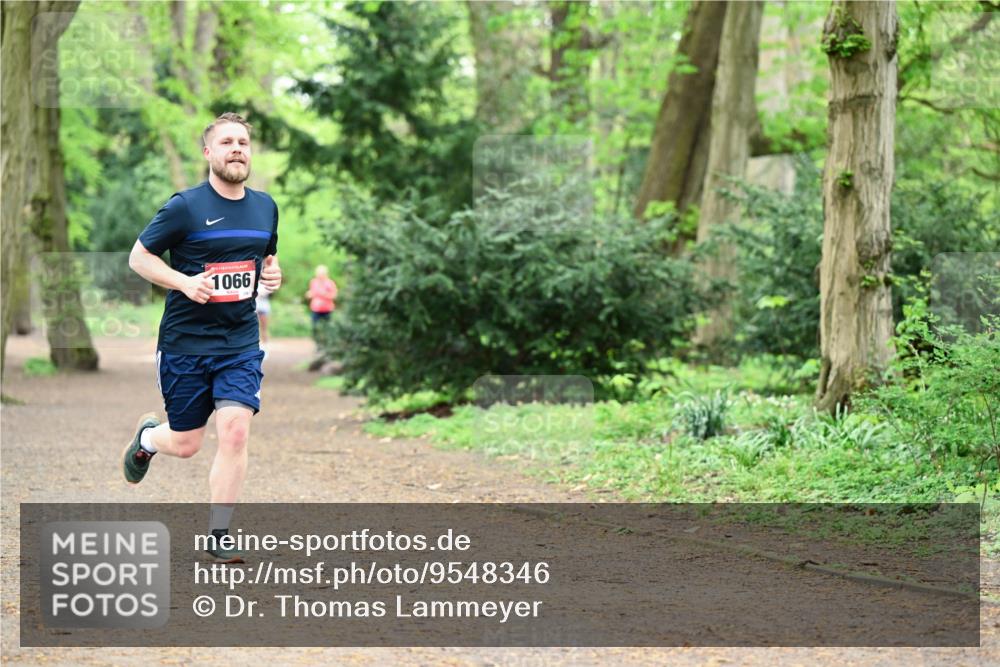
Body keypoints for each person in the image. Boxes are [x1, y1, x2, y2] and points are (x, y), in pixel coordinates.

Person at [122, 112, 281, 563]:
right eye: (227, 142)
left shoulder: (266, 207)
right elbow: (139, 258)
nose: (237, 149)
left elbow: (266, 259)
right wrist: (184, 282)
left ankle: (219, 534)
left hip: (239, 343)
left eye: (243, 142)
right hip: (185, 344)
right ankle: (148, 440)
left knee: (235, 431)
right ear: (209, 152)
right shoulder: (185, 207)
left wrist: (272, 273)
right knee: (187, 444)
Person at [305, 264, 337, 349]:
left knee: (327, 328)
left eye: (321, 273)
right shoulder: (313, 282)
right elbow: (312, 292)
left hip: (327, 309)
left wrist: (323, 294)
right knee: (315, 327)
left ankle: (327, 345)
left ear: (325, 274)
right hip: (315, 309)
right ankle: (318, 345)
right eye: (318, 273)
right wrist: (309, 294)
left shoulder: (330, 283)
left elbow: (334, 295)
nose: (319, 275)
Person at [255, 282, 273, 355]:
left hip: (264, 307)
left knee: (264, 328)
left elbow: (269, 291)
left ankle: (265, 348)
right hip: (255, 307)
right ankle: (257, 347)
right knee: (255, 328)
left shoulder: (265, 282)